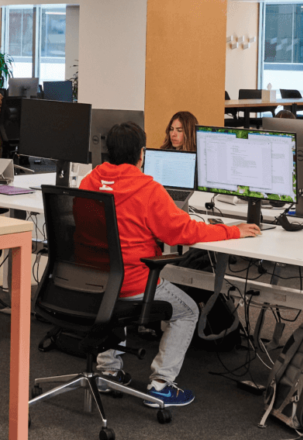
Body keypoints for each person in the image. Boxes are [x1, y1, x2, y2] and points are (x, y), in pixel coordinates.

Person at [80, 122, 260, 408]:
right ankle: (161, 385)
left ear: (107, 152)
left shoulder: (89, 181)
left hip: (94, 280)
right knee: (187, 311)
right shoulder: (147, 188)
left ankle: (107, 372)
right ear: (141, 154)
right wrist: (232, 230)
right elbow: (184, 232)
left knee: (111, 299)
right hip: (133, 283)